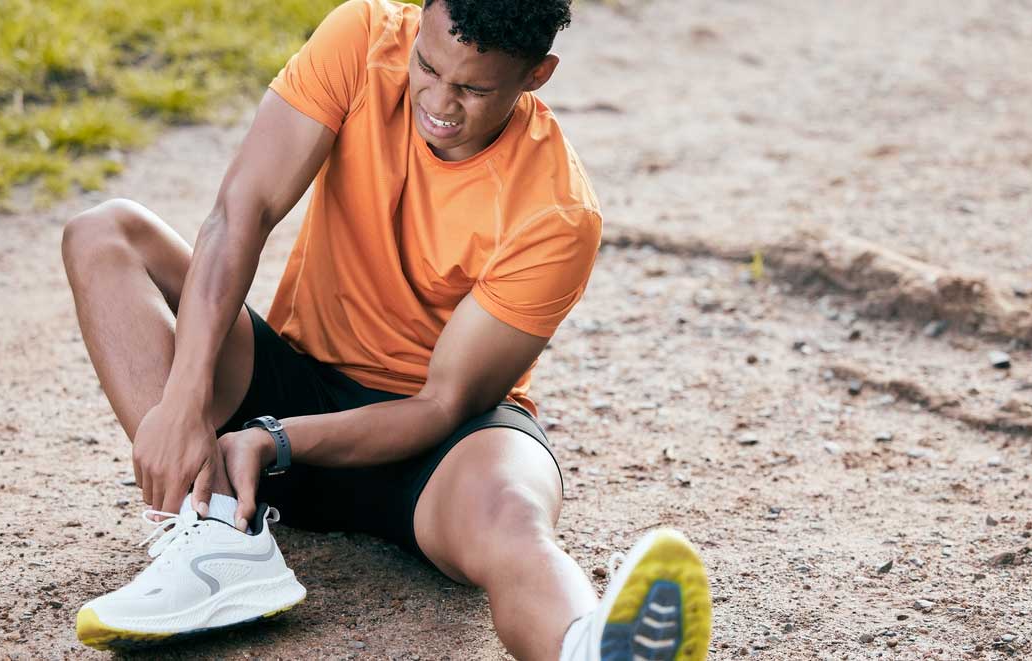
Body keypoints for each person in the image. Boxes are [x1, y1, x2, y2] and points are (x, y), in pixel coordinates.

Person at [60, 0, 712, 658]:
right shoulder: (363, 38)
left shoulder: (557, 213)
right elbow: (241, 210)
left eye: (473, 88)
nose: (439, 102)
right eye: (427, 66)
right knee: (104, 232)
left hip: (433, 449)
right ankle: (214, 538)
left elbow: (441, 403)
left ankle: (589, 646)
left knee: (514, 513)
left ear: (536, 76)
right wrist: (183, 399)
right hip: (291, 381)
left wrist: (274, 441)